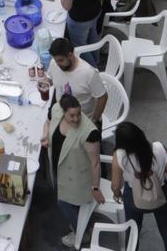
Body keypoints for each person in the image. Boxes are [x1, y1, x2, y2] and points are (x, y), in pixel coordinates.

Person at [110, 120, 167, 251]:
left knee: (132, 233)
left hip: (133, 199)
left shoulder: (119, 156)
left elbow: (115, 186)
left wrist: (117, 195)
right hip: (161, 195)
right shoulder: (159, 148)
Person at [48, 90, 106, 245]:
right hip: (60, 169)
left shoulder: (89, 132)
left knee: (64, 203)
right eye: (71, 115)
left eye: (78, 114)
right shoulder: (55, 110)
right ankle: (80, 223)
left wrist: (95, 188)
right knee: (65, 201)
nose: (76, 119)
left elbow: (95, 162)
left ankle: (82, 231)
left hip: (78, 176)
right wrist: (45, 135)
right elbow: (48, 122)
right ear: (63, 112)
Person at [47, 37, 108, 124]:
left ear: (70, 55)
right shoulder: (54, 63)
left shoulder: (89, 73)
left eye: (61, 60)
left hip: (81, 120)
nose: (57, 64)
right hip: (61, 113)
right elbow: (51, 79)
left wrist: (95, 120)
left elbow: (103, 97)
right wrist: (45, 83)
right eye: (56, 60)